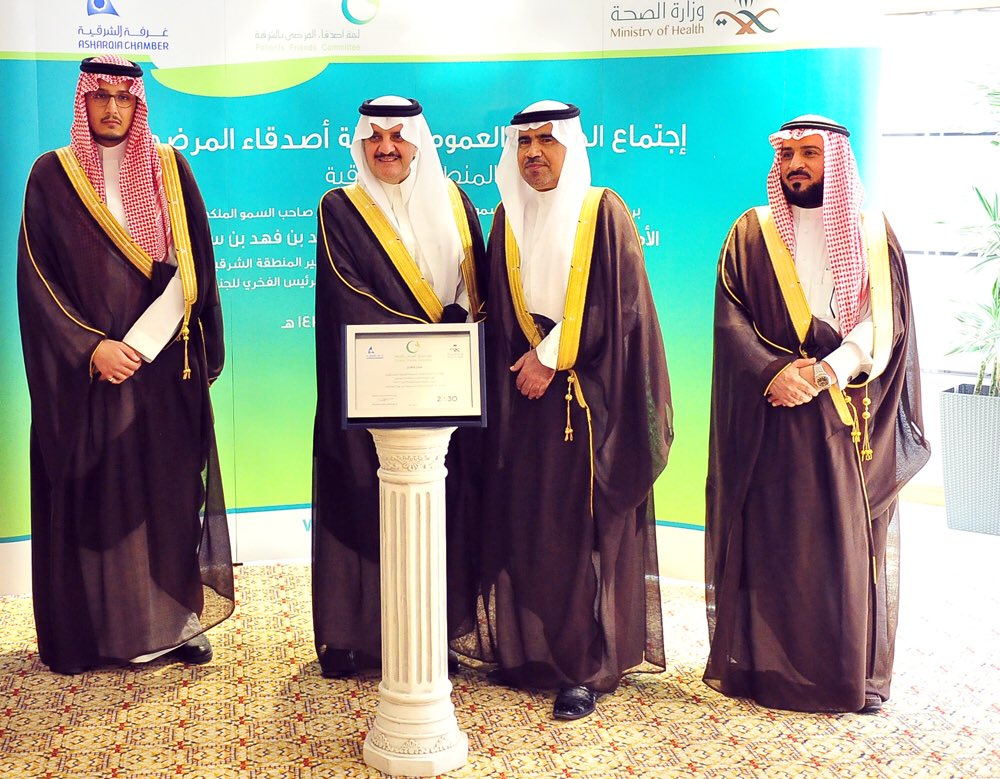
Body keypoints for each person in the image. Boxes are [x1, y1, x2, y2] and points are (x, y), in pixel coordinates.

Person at [703, 115, 931, 713]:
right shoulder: (750, 232)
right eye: (788, 155)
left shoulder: (873, 232)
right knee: (772, 539)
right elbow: (730, 317)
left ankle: (842, 675)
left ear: (837, 160)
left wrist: (827, 371)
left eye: (810, 153)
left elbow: (885, 320)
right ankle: (765, 669)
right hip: (771, 412)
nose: (796, 165)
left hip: (842, 413)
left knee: (839, 545)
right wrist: (773, 373)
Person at [16, 54, 234, 675]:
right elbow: (38, 279)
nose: (112, 108)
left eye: (124, 98)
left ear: (139, 105)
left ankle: (174, 623)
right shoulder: (52, 175)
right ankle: (99, 634)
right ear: (83, 102)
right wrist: (91, 348)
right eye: (100, 96)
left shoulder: (171, 169)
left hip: (161, 370)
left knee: (167, 496)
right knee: (99, 502)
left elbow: (194, 267)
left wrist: (140, 344)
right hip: (90, 377)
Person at [461, 100, 673, 720]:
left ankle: (582, 666)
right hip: (521, 406)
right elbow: (499, 309)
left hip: (587, 405)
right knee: (529, 528)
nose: (534, 153)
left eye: (547, 141)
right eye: (524, 143)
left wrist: (550, 358)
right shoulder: (506, 217)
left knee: (580, 539)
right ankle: (530, 653)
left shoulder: (602, 211)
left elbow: (619, 303)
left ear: (571, 147)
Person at [311, 96, 486, 678]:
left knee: (442, 506)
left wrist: (459, 329)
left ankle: (436, 631)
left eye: (398, 136)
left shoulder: (456, 202)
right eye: (375, 137)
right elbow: (348, 296)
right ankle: (355, 637)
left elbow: (478, 289)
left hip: (446, 390)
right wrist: (434, 337)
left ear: (419, 142)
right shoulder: (341, 207)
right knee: (363, 501)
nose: (386, 148)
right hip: (373, 388)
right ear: (360, 143)